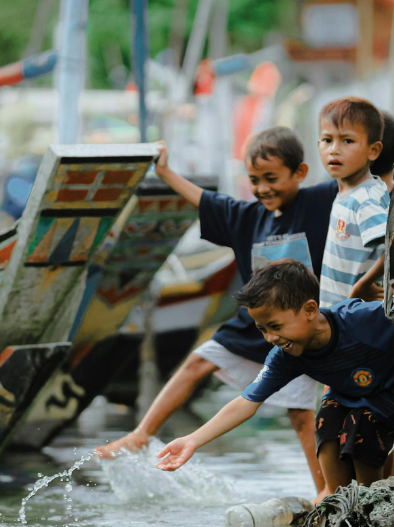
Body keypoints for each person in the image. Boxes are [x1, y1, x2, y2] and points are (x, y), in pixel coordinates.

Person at [96, 127, 339, 496]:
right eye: (255, 180)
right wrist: (164, 172)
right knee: (197, 361)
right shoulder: (247, 217)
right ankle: (141, 434)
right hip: (254, 326)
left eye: (272, 178)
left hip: (299, 328)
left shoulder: (319, 203)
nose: (263, 188)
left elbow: (359, 182)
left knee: (301, 415)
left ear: (299, 173)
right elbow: (205, 200)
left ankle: (324, 491)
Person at [156, 259, 394, 505]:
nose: (270, 337)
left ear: (309, 310)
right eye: (262, 329)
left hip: (391, 393)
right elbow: (247, 402)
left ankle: (373, 500)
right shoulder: (285, 356)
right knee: (327, 423)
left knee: (362, 427)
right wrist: (193, 440)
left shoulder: (363, 320)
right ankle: (334, 498)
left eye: (275, 326)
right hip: (348, 395)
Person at [317, 97, 391, 307]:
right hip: (339, 315)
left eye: (347, 141)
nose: (334, 149)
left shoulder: (365, 198)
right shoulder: (347, 194)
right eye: (327, 140)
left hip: (356, 317)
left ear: (373, 150)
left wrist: (363, 287)